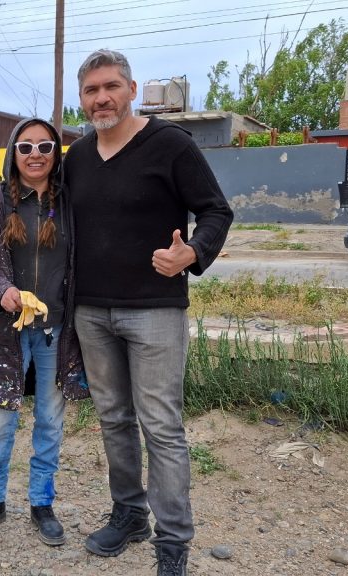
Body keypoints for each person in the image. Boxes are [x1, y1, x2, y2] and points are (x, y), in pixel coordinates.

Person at [63, 49, 233, 575]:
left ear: (132, 90)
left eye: (111, 86)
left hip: (154, 310)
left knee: (161, 426)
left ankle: (173, 541)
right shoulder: (78, 156)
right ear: (83, 98)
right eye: (91, 90)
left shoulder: (170, 145)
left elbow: (216, 210)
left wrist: (194, 251)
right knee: (113, 419)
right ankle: (129, 514)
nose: (101, 98)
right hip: (91, 311)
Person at [0, 118, 88, 546]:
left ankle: (41, 503)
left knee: (50, 420)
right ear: (13, 152)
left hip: (55, 332)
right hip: (3, 330)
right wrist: (1, 291)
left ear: (56, 154)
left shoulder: (70, 204)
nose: (35, 155)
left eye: (45, 147)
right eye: (26, 147)